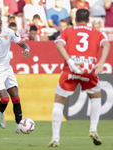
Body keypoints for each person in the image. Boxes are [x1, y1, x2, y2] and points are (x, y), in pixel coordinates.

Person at [47, 8, 110, 147]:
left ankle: (55, 138)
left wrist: (69, 61)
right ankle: (93, 128)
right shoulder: (97, 33)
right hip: (89, 69)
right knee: (96, 97)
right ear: (89, 20)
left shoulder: (68, 31)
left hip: (71, 68)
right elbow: (107, 44)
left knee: (59, 101)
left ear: (75, 20)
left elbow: (59, 44)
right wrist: (100, 63)